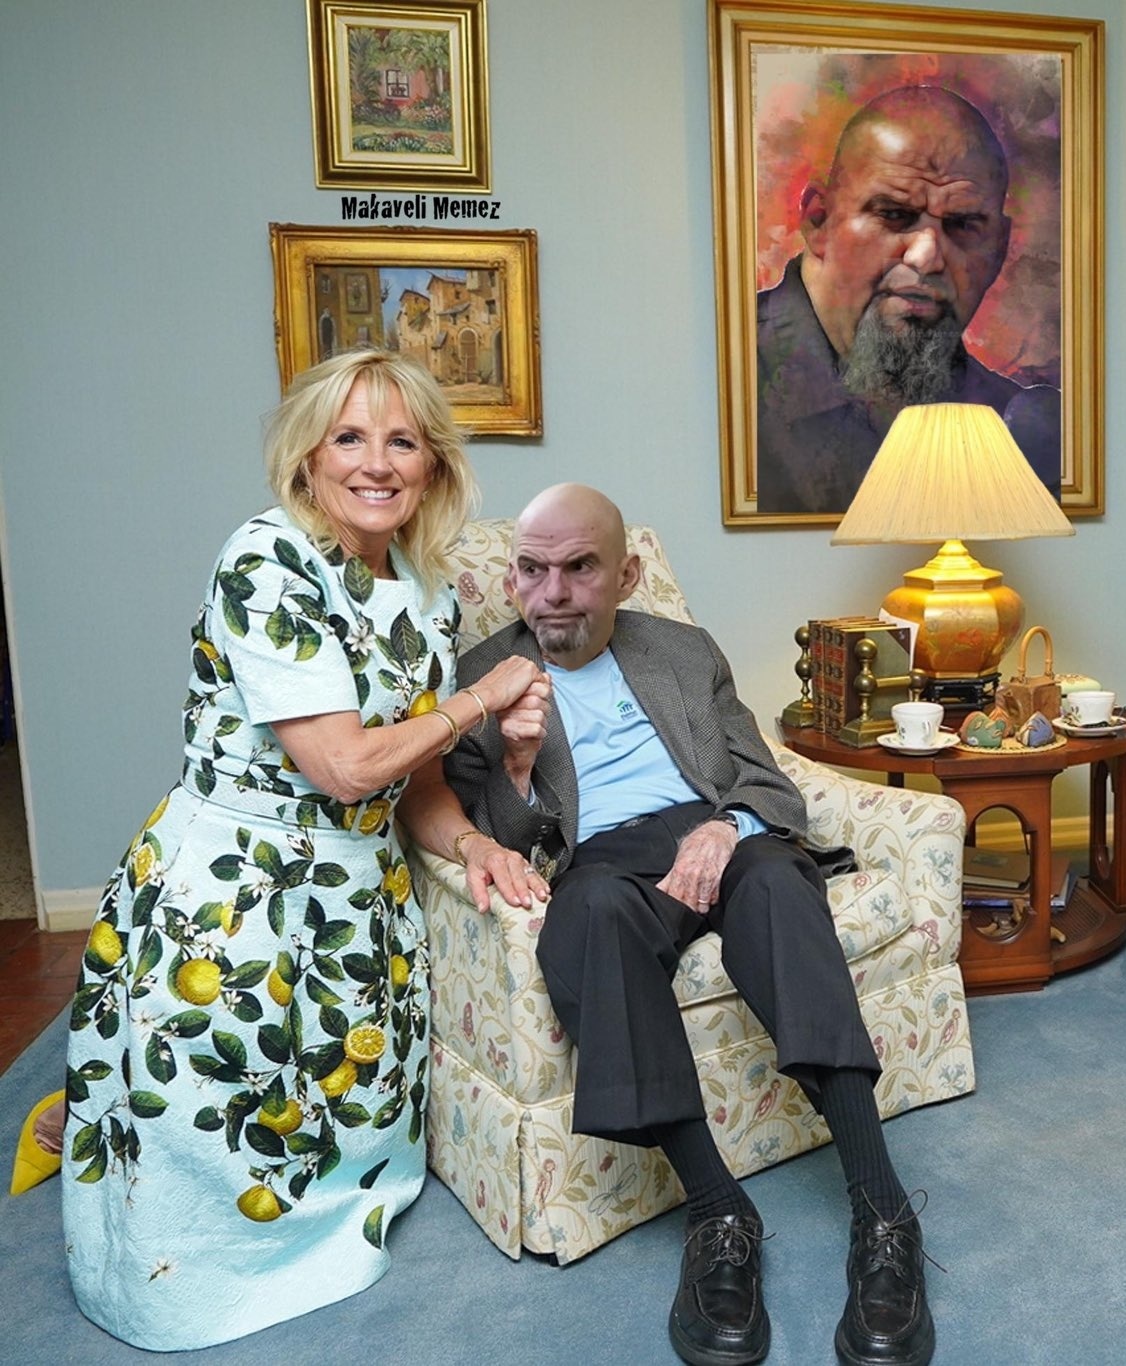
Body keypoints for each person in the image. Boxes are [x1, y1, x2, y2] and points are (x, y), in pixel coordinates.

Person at [61, 350, 544, 1350]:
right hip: (238, 892)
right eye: (349, 438)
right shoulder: (266, 558)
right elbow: (346, 766)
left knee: (337, 1115)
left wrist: (471, 843)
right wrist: (479, 698)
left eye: (402, 441)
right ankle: (176, 1288)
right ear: (309, 456)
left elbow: (414, 782)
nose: (377, 463)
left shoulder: (429, 589)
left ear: (432, 464)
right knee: (210, 1115)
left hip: (359, 897)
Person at [428, 483, 933, 1366]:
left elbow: (765, 779)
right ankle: (717, 1210)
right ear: (510, 582)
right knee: (589, 914)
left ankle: (883, 1209)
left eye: (580, 568)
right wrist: (514, 764)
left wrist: (725, 827)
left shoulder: (682, 650)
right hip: (601, 863)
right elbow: (507, 844)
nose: (553, 593)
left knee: (778, 886)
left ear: (625, 575)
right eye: (533, 571)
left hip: (715, 831)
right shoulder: (483, 682)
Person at [755, 84, 1060, 515]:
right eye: (894, 214)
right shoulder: (723, 379)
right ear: (819, 221)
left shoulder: (1017, 429)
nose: (926, 256)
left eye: (963, 224)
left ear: (999, 248)